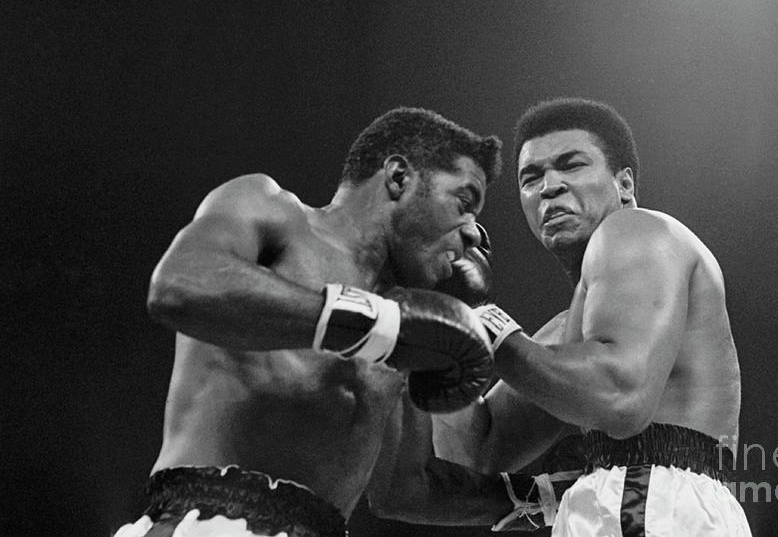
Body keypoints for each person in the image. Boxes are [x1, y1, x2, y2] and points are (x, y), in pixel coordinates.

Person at [113, 107, 504, 537]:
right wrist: (374, 323)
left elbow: (404, 491)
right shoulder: (274, 213)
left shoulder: (407, 326)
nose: (472, 233)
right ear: (398, 177)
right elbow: (179, 285)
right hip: (204, 519)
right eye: (464, 203)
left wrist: (547, 497)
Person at [371, 98, 752, 535]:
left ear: (624, 184)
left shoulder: (639, 230)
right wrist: (447, 312)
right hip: (641, 505)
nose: (549, 186)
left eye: (571, 165)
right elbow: (472, 454)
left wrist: (480, 324)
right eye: (531, 177)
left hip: (653, 502)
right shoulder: (565, 339)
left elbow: (619, 396)